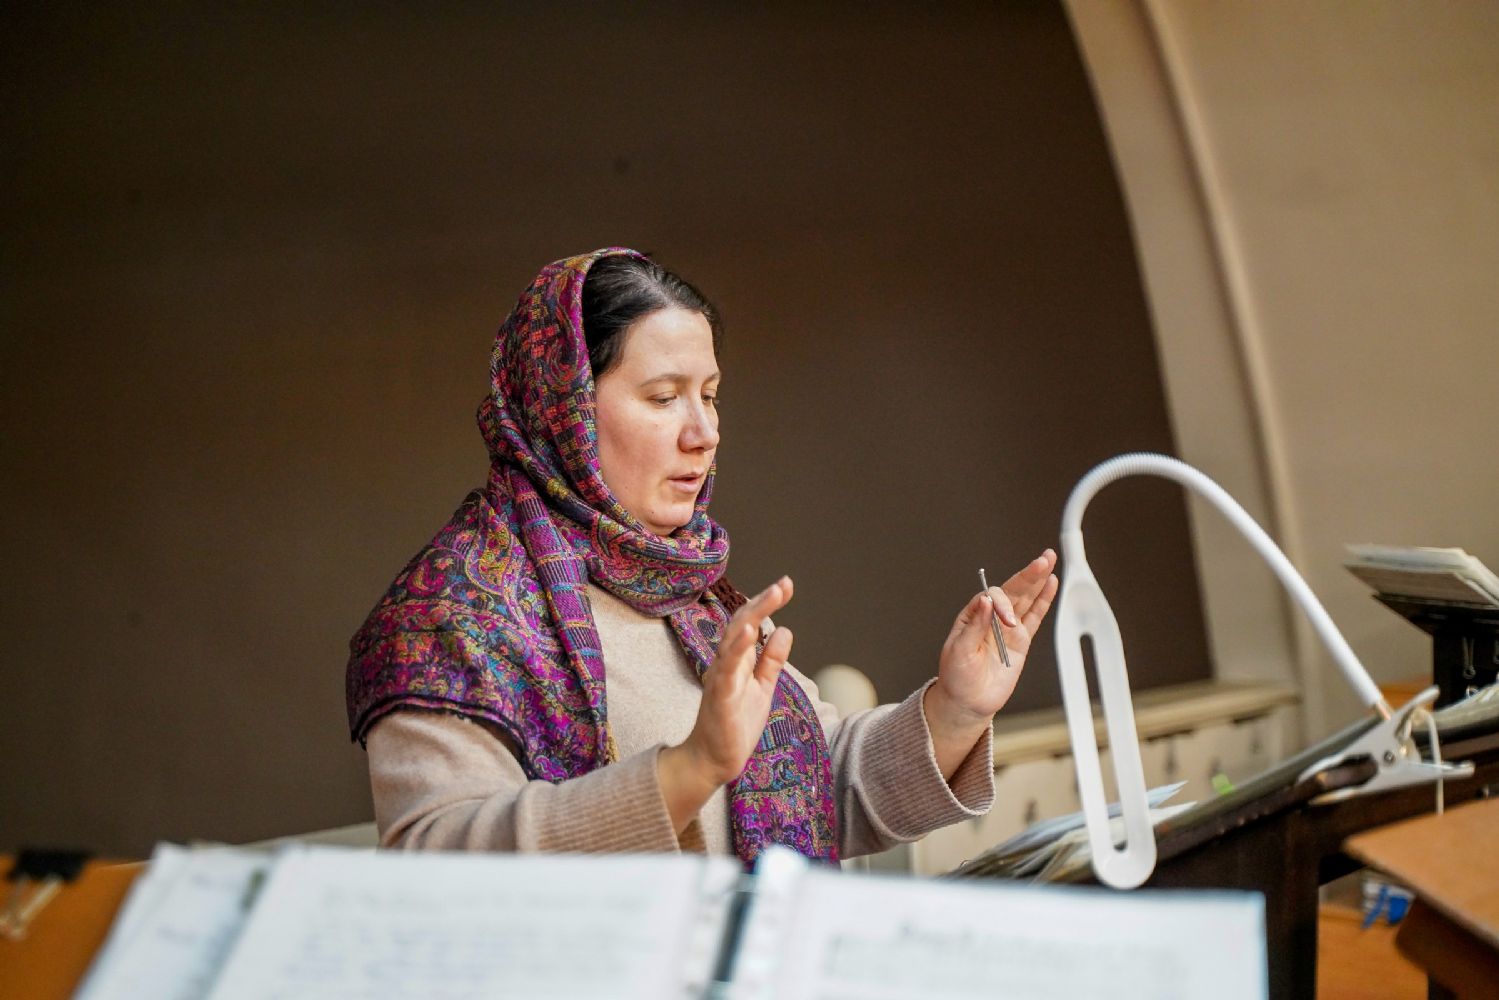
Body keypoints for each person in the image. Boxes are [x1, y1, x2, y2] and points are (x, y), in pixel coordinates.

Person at [346, 248, 1058, 862]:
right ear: (561, 408)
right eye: (663, 398)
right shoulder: (450, 617)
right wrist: (687, 771)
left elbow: (823, 785)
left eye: (709, 396)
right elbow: (437, 863)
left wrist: (955, 708)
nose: (704, 433)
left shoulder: (690, 594)